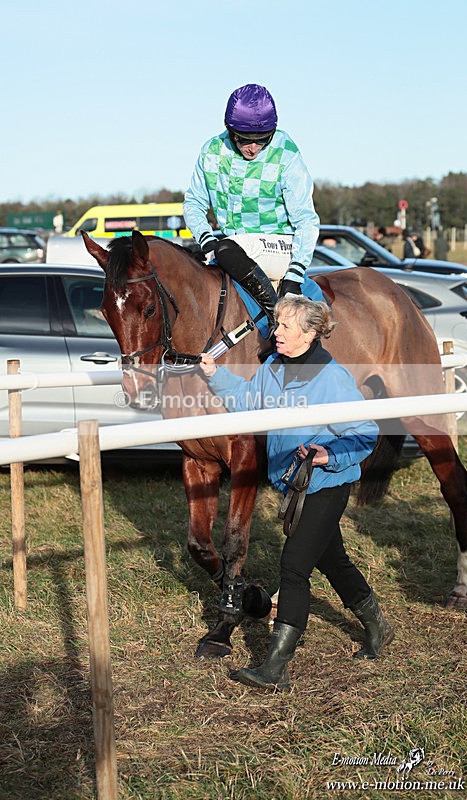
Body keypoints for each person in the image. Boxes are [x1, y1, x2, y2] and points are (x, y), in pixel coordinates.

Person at [199, 296, 393, 691]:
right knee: (333, 561)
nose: (276, 333)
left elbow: (365, 432)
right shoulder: (273, 367)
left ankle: (276, 667)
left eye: (285, 327)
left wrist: (328, 454)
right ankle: (378, 625)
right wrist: (214, 374)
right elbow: (248, 402)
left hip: (327, 484)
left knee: (294, 567)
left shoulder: (332, 378)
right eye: (276, 325)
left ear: (309, 333)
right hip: (295, 486)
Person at [183, 84, 323, 329]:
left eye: (262, 140)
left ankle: (275, 314)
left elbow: (306, 221)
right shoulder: (211, 151)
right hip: (236, 249)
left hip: (280, 246)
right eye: (245, 140)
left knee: (227, 249)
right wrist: (206, 239)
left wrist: (294, 275)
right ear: (230, 130)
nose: (253, 148)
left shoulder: (286, 154)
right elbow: (194, 203)